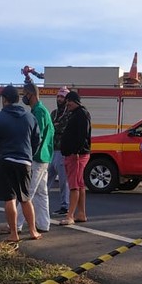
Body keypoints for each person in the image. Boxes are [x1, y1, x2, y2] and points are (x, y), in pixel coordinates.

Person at [0, 84, 40, 247]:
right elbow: (36, 140)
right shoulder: (30, 117)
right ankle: (33, 231)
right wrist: (28, 155)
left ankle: (14, 234)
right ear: (18, 99)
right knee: (25, 198)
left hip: (5, 160)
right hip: (24, 161)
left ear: (4, 99)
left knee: (9, 198)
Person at [10, 80, 54, 234]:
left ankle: (16, 225)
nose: (23, 97)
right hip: (44, 156)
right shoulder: (41, 110)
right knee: (41, 193)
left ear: (31, 94)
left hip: (37, 157)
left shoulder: (39, 112)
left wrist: (29, 153)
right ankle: (43, 223)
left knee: (27, 192)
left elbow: (37, 136)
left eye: (25, 94)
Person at [58, 90, 91, 226]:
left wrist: (75, 151)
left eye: (69, 101)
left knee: (74, 186)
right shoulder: (77, 114)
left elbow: (82, 135)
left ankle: (70, 215)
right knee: (80, 184)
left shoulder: (81, 114)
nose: (67, 104)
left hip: (76, 155)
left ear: (76, 101)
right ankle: (81, 213)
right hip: (75, 154)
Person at [49, 86, 71, 216]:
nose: (59, 99)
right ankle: (40, 203)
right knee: (46, 178)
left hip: (62, 151)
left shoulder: (69, 114)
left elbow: (64, 129)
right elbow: (50, 129)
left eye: (62, 97)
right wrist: (55, 127)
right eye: (58, 96)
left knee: (63, 181)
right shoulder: (54, 113)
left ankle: (65, 205)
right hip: (52, 150)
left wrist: (56, 127)